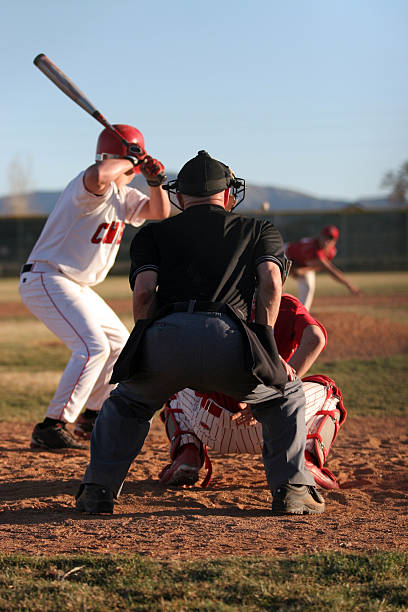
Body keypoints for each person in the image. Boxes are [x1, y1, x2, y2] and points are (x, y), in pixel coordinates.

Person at [76, 150, 325, 516]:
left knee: (127, 404)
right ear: (227, 195)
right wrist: (265, 343)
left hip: (166, 336)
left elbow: (144, 291)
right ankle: (293, 491)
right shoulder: (259, 229)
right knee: (284, 397)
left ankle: (97, 491)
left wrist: (145, 343)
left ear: (180, 196)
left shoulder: (154, 233)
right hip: (232, 340)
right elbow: (272, 282)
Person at [19, 124, 171, 451]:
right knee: (93, 347)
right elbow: (100, 173)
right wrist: (133, 159)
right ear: (120, 158)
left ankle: (91, 417)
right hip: (48, 276)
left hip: (75, 285)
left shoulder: (124, 195)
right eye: (129, 163)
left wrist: (155, 181)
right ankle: (52, 425)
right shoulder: (88, 185)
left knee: (119, 345)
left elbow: (159, 211)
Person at [158, 293, 346, 490]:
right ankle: (307, 461)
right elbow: (315, 338)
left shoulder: (213, 303)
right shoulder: (285, 305)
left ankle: (186, 454)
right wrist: (272, 394)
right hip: (276, 424)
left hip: (210, 425)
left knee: (177, 380)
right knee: (329, 391)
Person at [285, 225, 361, 310]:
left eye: (330, 239)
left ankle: (301, 314)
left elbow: (317, 266)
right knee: (276, 283)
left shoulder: (331, 252)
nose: (326, 242)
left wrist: (301, 271)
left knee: (308, 287)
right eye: (325, 237)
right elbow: (329, 270)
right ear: (320, 237)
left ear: (335, 242)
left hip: (302, 264)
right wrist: (349, 285)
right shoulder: (311, 248)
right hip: (285, 255)